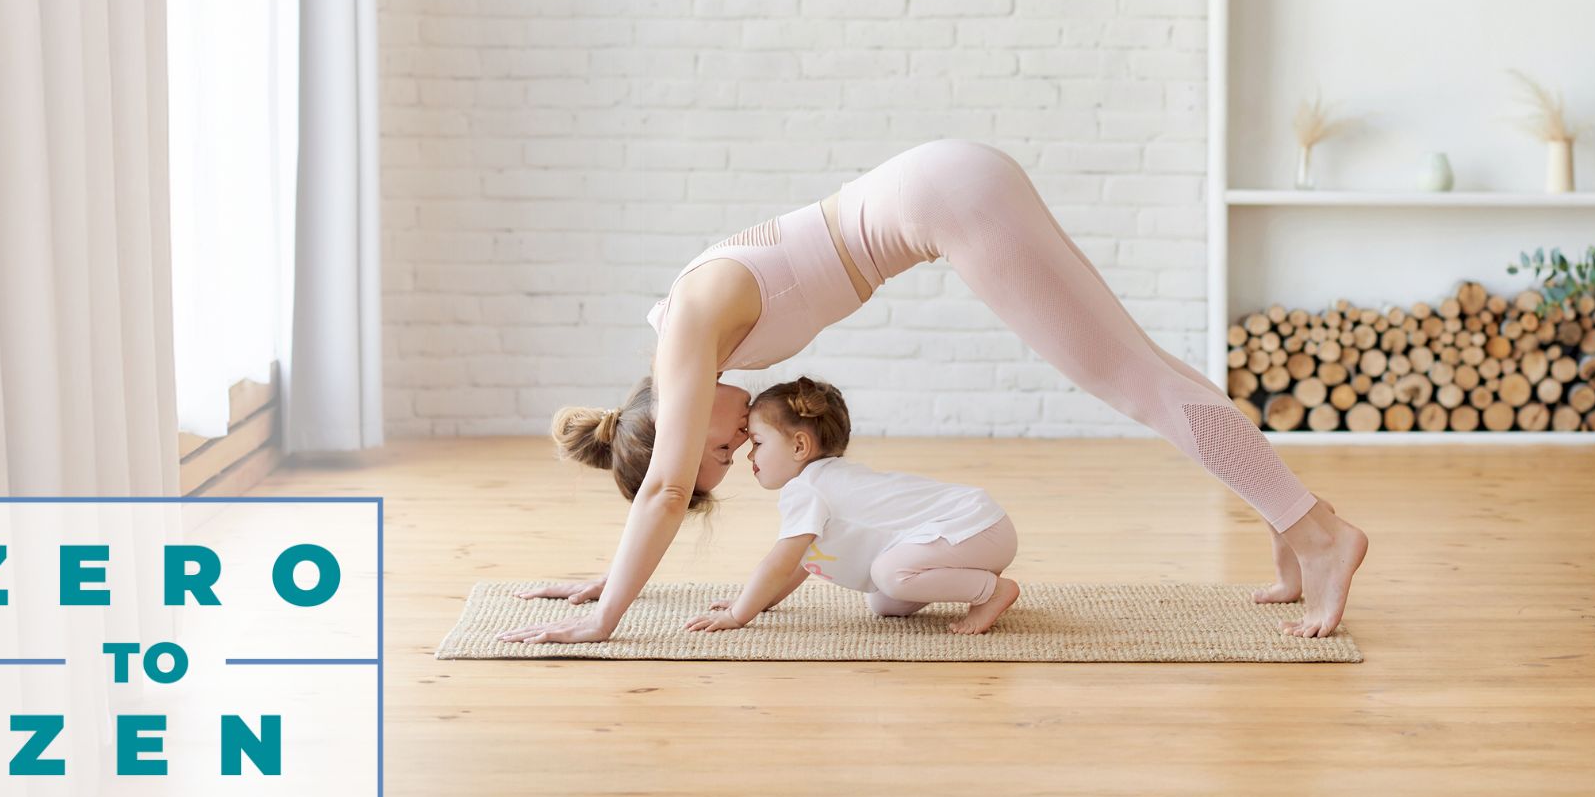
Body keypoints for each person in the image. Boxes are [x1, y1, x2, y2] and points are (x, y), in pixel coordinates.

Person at [494, 138, 1366, 644]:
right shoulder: (692, 332)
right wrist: (612, 575)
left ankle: (1321, 535)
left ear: (671, 417)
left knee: (1134, 381)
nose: (741, 442)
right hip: (947, 186)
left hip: (946, 201)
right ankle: (1290, 518)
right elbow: (664, 478)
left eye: (721, 447)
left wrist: (606, 616)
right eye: (730, 454)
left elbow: (663, 487)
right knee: (1150, 366)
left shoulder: (687, 328)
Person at [680, 377, 1021, 636]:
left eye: (757, 443)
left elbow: (779, 563)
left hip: (976, 526)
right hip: (978, 531)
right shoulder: (823, 481)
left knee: (890, 574)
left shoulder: (808, 488)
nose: (750, 455)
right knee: (884, 600)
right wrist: (758, 600)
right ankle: (971, 574)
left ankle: (992, 591)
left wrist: (738, 615)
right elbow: (802, 562)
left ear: (799, 446)